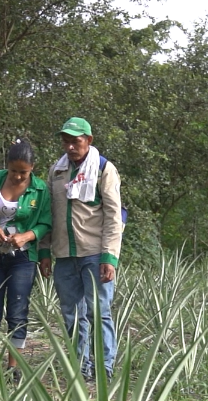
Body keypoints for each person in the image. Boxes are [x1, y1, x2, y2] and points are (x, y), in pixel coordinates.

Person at [39, 117, 123, 382]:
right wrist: (44, 251)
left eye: (75, 142)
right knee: (71, 314)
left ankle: (104, 367)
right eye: (66, 142)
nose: (70, 147)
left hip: (95, 252)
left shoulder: (103, 168)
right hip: (64, 254)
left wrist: (109, 256)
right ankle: (80, 367)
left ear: (89, 140)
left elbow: (114, 215)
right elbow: (48, 212)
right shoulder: (57, 171)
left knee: (98, 312)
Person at [0, 139, 52, 380]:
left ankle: (13, 365)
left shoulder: (40, 189)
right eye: (13, 171)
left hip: (23, 258)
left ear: (32, 168)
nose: (17, 177)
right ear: (7, 165)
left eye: (23, 172)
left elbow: (46, 222)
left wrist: (27, 236)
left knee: (18, 309)